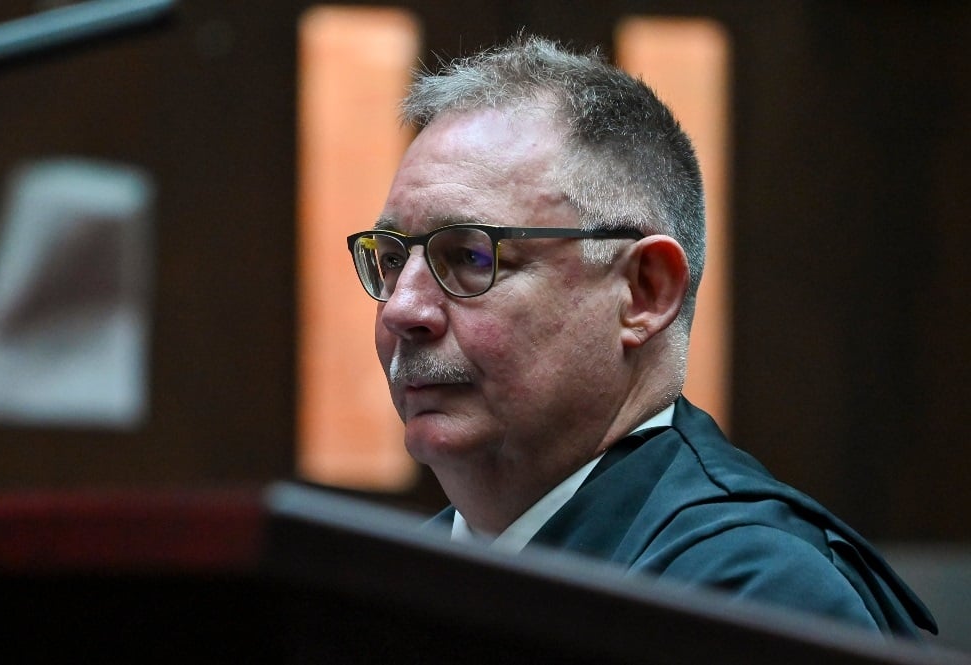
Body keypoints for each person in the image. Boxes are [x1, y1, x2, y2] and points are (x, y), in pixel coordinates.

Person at [345, 34, 936, 638]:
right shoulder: (379, 585)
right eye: (391, 260)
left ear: (644, 292)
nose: (402, 310)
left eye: (471, 256)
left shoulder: (754, 593)